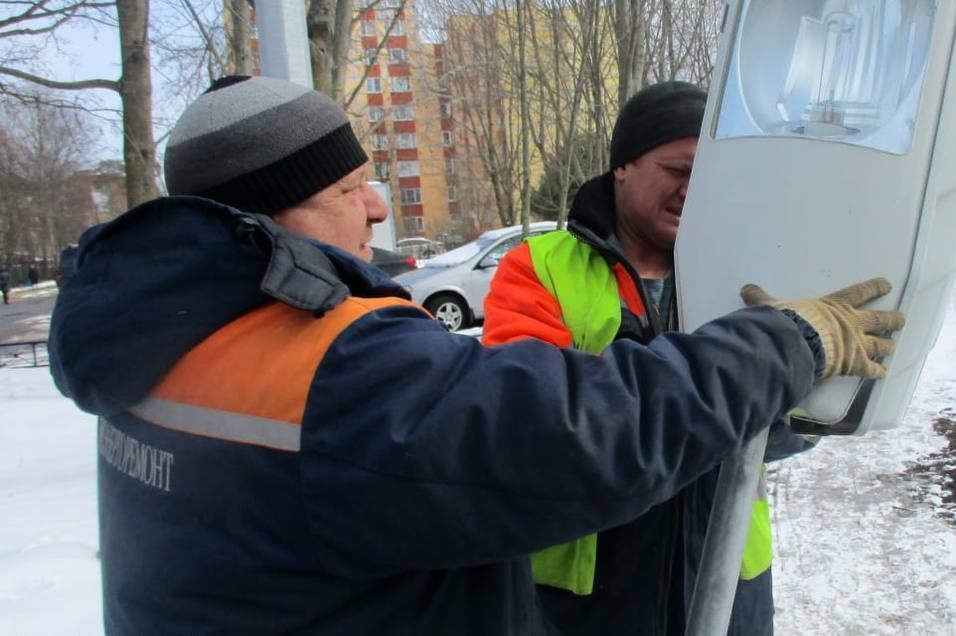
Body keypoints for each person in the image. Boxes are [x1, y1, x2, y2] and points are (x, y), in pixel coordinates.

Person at [48, 75, 904, 634]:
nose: (377, 210)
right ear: (279, 215)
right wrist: (784, 343)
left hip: (720, 565)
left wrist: (777, 408)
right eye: (350, 188)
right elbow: (564, 432)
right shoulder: (334, 363)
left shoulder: (162, 335)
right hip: (591, 582)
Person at [482, 81, 903, 635]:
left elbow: (789, 430)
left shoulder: (752, 268)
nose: (694, 190)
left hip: (726, 570)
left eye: (709, 176)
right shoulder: (540, 266)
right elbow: (537, 425)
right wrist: (741, 378)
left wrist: (799, 387)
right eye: (678, 170)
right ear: (622, 167)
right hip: (586, 594)